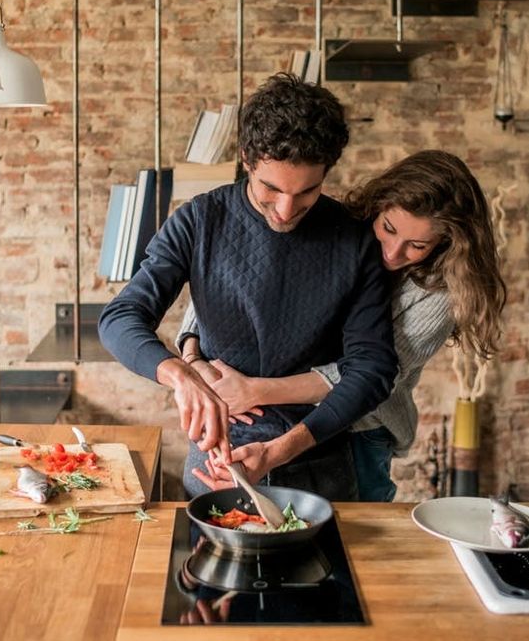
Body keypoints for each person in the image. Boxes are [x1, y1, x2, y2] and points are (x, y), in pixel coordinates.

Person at [98, 73, 398, 502]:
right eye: (270, 189)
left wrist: (280, 451)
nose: (286, 209)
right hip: (218, 457)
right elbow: (120, 318)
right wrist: (181, 375)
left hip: (320, 456)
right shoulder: (200, 220)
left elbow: (372, 369)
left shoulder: (354, 239)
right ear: (247, 159)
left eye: (307, 191)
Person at [179, 150, 506, 501]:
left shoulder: (440, 297)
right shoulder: (338, 233)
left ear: (447, 244)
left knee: (350, 537)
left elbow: (366, 376)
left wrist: (255, 390)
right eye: (388, 228)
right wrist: (192, 356)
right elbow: (227, 286)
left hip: (360, 431)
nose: (393, 252)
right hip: (270, 413)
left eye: (417, 245)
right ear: (378, 207)